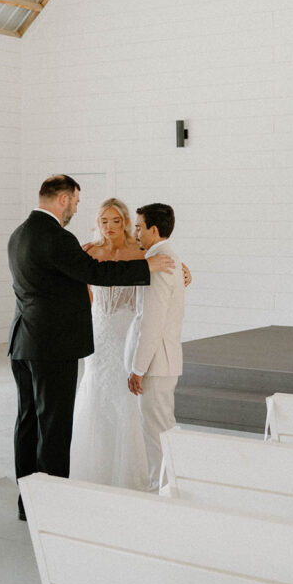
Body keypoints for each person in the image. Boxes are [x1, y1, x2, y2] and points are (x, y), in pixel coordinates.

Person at [7, 176, 173, 519]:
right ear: (64, 200)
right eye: (77, 202)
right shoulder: (58, 238)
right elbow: (93, 271)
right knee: (53, 427)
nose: (78, 209)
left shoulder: (18, 234)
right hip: (53, 347)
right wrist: (147, 266)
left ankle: (29, 502)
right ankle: (52, 504)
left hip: (22, 343)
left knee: (28, 423)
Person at [70, 198, 191, 490]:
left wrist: (187, 273)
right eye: (104, 221)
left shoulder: (142, 252)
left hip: (127, 334)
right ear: (97, 223)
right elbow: (82, 291)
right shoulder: (87, 251)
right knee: (96, 392)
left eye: (117, 221)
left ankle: (141, 474)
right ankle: (97, 468)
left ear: (126, 223)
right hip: (99, 333)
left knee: (131, 404)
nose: (110, 226)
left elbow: (175, 272)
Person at [126, 203, 185, 492]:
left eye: (138, 226)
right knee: (163, 429)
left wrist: (138, 368)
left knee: (158, 433)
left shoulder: (159, 262)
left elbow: (151, 322)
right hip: (162, 361)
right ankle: (168, 486)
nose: (134, 232)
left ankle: (161, 490)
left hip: (156, 364)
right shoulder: (166, 257)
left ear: (153, 229)